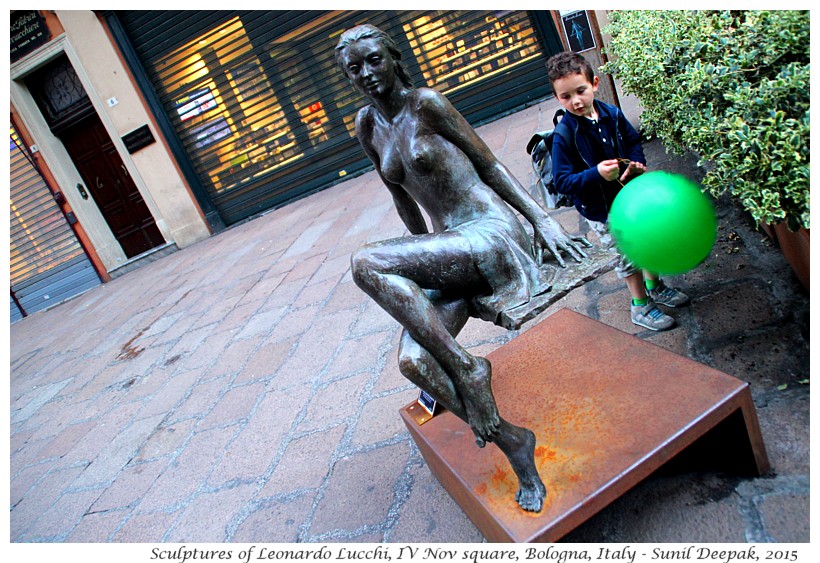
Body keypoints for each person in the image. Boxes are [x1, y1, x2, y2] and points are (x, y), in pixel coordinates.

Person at [335, 24, 589, 512]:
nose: (366, 74)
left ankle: (472, 372)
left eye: (373, 60)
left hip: (489, 234)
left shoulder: (426, 103)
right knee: (414, 361)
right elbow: (401, 199)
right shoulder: (367, 126)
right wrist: (418, 267)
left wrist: (541, 221)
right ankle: (515, 443)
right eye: (354, 68)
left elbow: (488, 164)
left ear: (393, 58)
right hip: (449, 249)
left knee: (364, 260)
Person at [547, 51, 690, 331]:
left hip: (630, 197)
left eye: (581, 91)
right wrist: (596, 174)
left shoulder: (611, 113)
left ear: (595, 84)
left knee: (646, 241)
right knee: (626, 254)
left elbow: (633, 140)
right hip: (602, 210)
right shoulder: (564, 135)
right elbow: (562, 182)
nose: (575, 101)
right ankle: (640, 305)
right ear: (557, 98)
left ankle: (655, 285)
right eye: (566, 97)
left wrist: (638, 163)